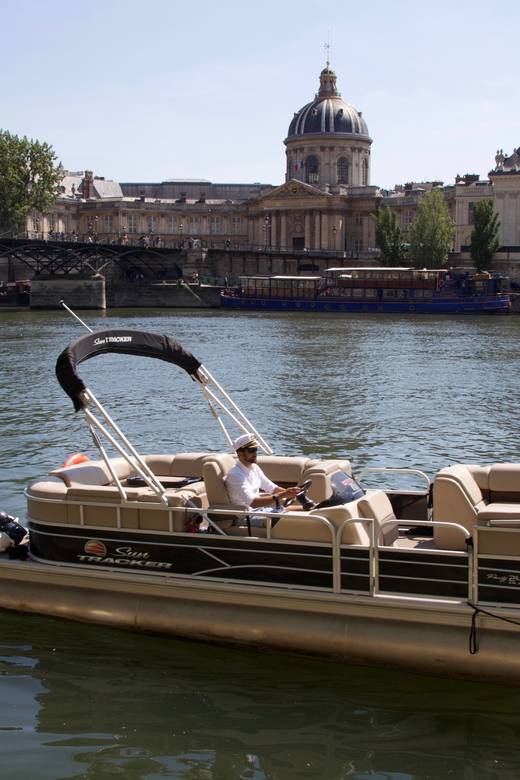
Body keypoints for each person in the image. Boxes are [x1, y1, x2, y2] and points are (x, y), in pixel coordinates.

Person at [225, 433, 312, 528]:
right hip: (243, 516)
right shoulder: (236, 474)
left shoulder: (254, 468)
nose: (255, 453)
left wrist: (296, 492)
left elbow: (271, 487)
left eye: (256, 449)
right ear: (241, 454)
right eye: (251, 450)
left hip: (259, 511)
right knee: (283, 520)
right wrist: (283, 495)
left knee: (309, 509)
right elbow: (253, 502)